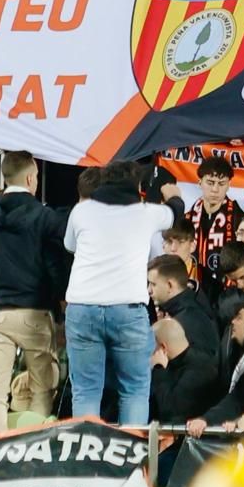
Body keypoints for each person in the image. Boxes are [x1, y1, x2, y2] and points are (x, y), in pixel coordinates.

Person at [63, 162, 173, 424]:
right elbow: (174, 214)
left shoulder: (82, 211)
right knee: (134, 390)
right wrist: (174, 196)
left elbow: (70, 245)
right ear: (137, 186)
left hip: (82, 306)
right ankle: (131, 460)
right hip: (127, 309)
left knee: (86, 390)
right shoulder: (146, 212)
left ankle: (86, 460)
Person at [0, 150, 67, 432]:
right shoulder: (45, 217)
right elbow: (55, 266)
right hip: (35, 312)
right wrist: (62, 306)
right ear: (31, 178)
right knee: (41, 388)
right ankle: (35, 444)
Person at [149, 317, 219, 426]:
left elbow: (170, 410)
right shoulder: (176, 364)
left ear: (163, 347)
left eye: (150, 347)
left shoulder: (200, 369)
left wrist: (159, 369)